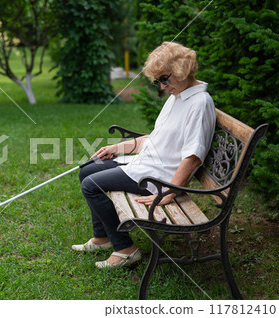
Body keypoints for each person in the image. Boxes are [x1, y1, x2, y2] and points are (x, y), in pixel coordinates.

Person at [72, 42, 216, 269]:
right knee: (87, 170)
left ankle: (125, 249)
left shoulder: (199, 103)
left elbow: (193, 156)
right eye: (157, 81)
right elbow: (155, 137)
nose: (162, 86)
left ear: (182, 69)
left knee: (91, 185)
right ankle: (102, 238)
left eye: (164, 79)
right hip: (145, 165)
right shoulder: (177, 98)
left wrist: (171, 190)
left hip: (157, 177)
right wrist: (117, 148)